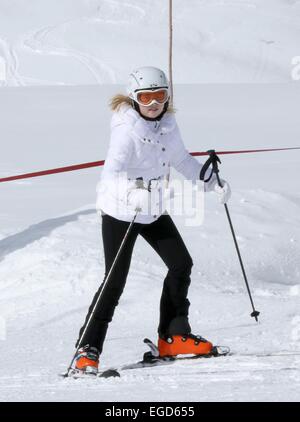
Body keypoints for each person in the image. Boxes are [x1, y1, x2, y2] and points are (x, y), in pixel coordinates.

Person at [73, 66, 231, 374]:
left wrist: (213, 183)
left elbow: (182, 160)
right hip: (122, 211)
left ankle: (173, 336)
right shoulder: (126, 129)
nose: (154, 103)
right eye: (146, 97)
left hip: (153, 208)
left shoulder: (168, 126)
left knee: (181, 264)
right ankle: (87, 349)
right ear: (134, 99)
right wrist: (132, 195)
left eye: (160, 95)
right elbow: (110, 175)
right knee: (115, 281)